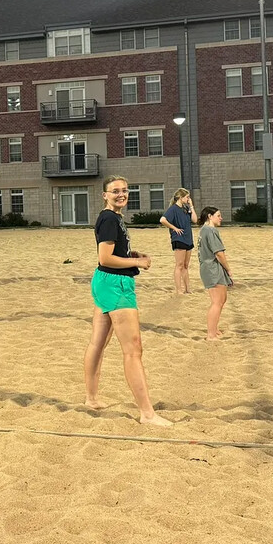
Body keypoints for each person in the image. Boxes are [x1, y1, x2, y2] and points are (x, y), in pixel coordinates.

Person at [83, 176, 172, 427]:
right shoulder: (110, 218)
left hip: (104, 282)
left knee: (97, 343)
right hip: (115, 284)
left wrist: (130, 254)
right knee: (133, 350)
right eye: (115, 191)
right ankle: (147, 413)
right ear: (105, 195)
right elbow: (105, 258)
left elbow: (112, 253)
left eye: (124, 190)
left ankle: (91, 399)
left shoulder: (112, 217)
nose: (121, 194)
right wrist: (137, 262)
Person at [198, 206, 232, 341]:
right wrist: (228, 269)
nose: (221, 218)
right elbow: (219, 253)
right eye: (218, 215)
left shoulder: (204, 230)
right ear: (210, 217)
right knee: (217, 302)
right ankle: (210, 334)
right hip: (211, 268)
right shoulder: (210, 231)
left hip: (211, 268)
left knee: (222, 299)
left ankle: (214, 329)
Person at [159, 188, 198, 294]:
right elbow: (162, 220)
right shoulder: (173, 209)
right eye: (187, 197)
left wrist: (191, 206)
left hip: (188, 238)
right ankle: (179, 290)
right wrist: (174, 228)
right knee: (179, 265)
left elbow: (194, 220)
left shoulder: (185, 209)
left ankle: (187, 289)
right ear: (181, 198)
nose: (189, 199)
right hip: (179, 238)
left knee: (185, 265)